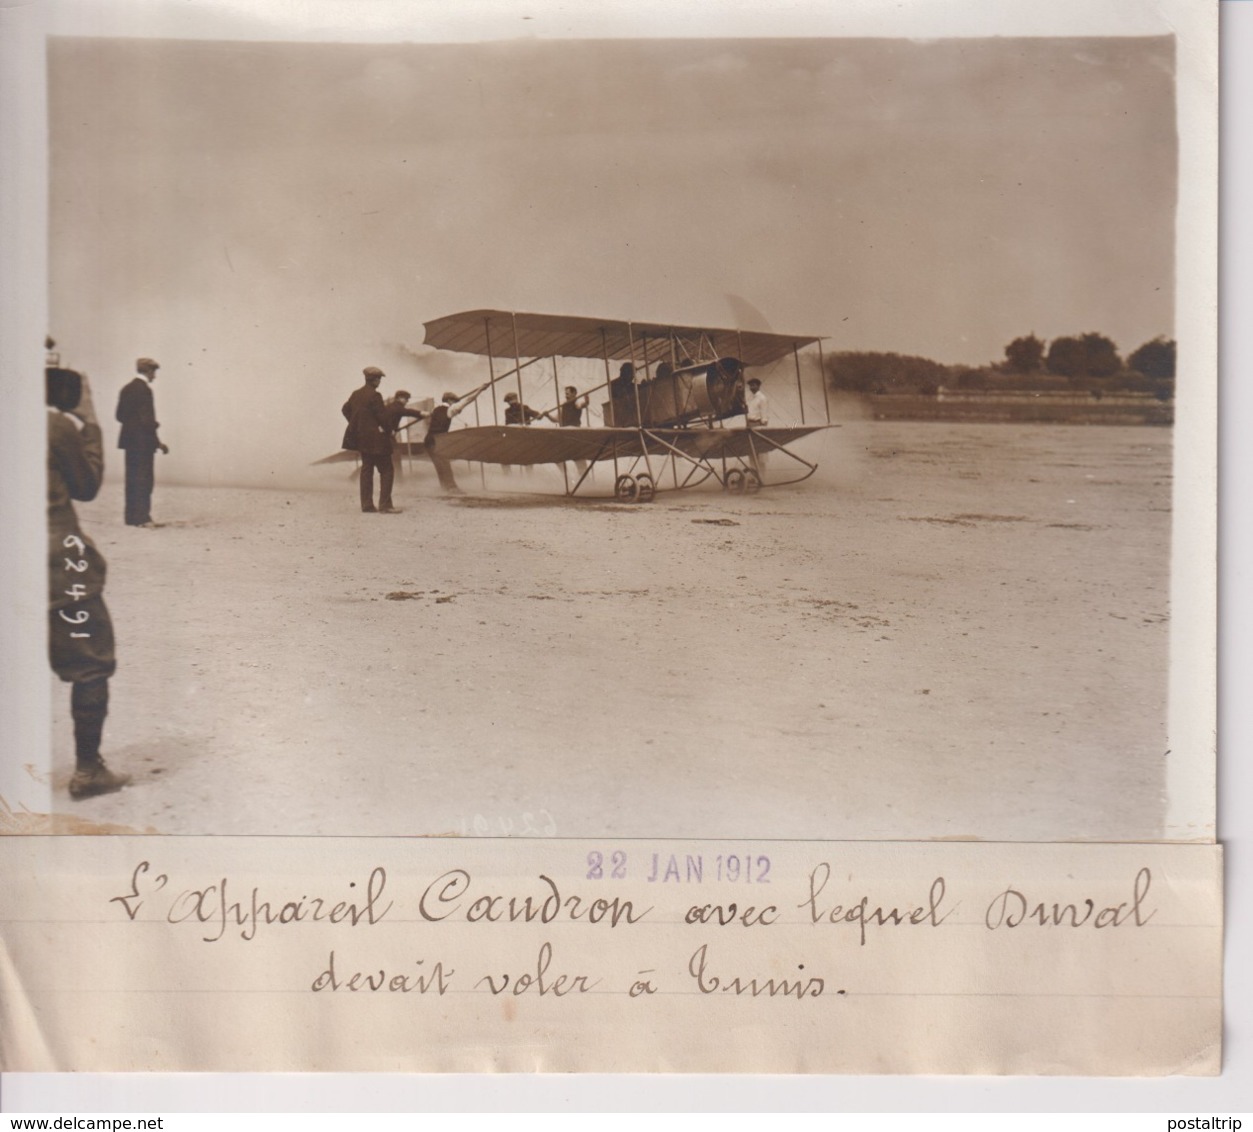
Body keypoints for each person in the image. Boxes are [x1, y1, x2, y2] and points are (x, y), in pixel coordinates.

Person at [47, 363, 130, 800]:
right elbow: (86, 485)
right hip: (59, 570)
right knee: (90, 661)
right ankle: (87, 770)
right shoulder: (54, 425)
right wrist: (89, 422)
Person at [114, 357, 169, 527]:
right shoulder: (145, 390)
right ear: (148, 371)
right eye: (154, 372)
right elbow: (147, 420)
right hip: (144, 443)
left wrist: (133, 425)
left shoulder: (126, 389)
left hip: (129, 442)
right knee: (144, 480)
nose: (155, 376)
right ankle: (143, 518)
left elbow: (119, 416)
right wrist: (158, 442)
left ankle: (131, 518)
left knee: (131, 480)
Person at [341, 366, 401, 513]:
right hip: (377, 440)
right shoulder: (375, 395)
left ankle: (367, 505)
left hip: (362, 439)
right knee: (387, 470)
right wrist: (389, 429)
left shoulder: (356, 394)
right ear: (374, 380)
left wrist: (358, 424)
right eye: (379, 378)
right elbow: (383, 417)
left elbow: (345, 409)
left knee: (367, 470)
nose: (379, 381)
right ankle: (385, 505)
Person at [414, 386, 487, 494]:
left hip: (429, 439)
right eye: (454, 401)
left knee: (439, 464)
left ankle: (445, 488)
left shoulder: (436, 409)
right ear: (449, 401)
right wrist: (480, 390)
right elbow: (468, 400)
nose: (455, 404)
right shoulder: (450, 409)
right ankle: (452, 488)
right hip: (438, 440)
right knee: (444, 463)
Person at [545, 385, 591, 477]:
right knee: (557, 457)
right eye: (565, 394)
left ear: (574, 394)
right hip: (565, 433)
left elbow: (583, 405)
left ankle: (585, 480)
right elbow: (556, 419)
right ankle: (567, 476)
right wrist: (548, 415)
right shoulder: (563, 406)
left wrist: (587, 400)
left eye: (568, 394)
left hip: (574, 433)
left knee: (579, 459)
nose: (566, 396)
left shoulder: (576, 403)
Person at [384, 389, 423, 486]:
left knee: (376, 459)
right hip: (386, 436)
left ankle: (353, 479)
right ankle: (399, 481)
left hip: (383, 435)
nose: (407, 401)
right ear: (399, 398)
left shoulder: (388, 407)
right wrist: (421, 413)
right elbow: (406, 411)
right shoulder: (396, 406)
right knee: (396, 456)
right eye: (406, 399)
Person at [744, 376, 770, 478]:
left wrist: (763, 426)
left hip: (758, 425)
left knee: (761, 452)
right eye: (750, 386)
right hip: (750, 425)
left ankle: (762, 477)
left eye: (753, 385)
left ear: (758, 386)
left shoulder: (762, 398)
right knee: (751, 452)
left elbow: (764, 414)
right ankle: (754, 476)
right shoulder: (751, 398)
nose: (751, 387)